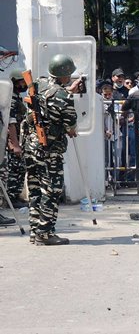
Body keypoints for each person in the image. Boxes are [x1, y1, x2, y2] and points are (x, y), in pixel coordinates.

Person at [25, 54, 80, 245]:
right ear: (64, 75)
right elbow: (71, 127)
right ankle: (45, 233)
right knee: (52, 190)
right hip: (49, 150)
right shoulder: (63, 96)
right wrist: (69, 94)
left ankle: (35, 230)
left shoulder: (37, 85)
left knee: (35, 190)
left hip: (31, 147)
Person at [0, 70, 28, 209]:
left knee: (20, 168)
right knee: (14, 169)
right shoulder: (10, 98)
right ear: (16, 82)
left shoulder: (16, 97)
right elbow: (10, 122)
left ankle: (15, 196)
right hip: (12, 138)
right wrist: (14, 143)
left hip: (18, 136)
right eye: (22, 81)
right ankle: (10, 198)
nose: (24, 84)